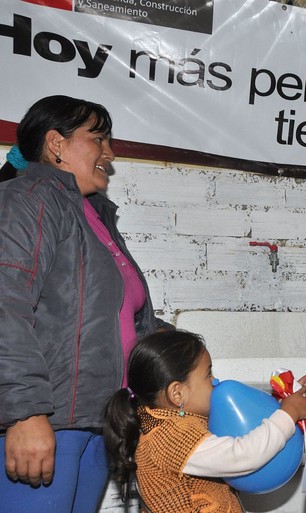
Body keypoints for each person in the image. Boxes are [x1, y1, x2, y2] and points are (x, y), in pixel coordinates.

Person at [0, 95, 169, 513]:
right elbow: (5, 303)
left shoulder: (94, 215)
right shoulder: (30, 197)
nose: (109, 155)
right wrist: (25, 415)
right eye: (99, 139)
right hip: (48, 421)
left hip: (100, 421)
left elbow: (111, 319)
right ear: (56, 144)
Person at [102, 330, 306, 512]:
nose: (215, 380)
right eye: (208, 374)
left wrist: (290, 401)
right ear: (177, 394)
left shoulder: (172, 422)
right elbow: (242, 455)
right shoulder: (170, 438)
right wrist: (287, 415)